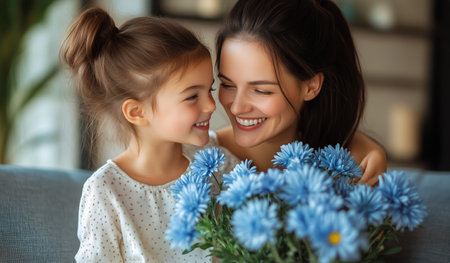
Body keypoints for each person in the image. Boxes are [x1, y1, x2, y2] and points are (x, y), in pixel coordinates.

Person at [60, 8, 238, 262]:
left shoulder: (216, 162)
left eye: (209, 90)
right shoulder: (106, 192)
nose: (211, 105)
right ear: (137, 112)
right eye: (191, 96)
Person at [215, 0, 386, 186]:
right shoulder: (202, 158)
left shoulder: (354, 166)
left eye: (260, 90)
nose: (237, 107)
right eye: (227, 85)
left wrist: (367, 149)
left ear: (311, 86)